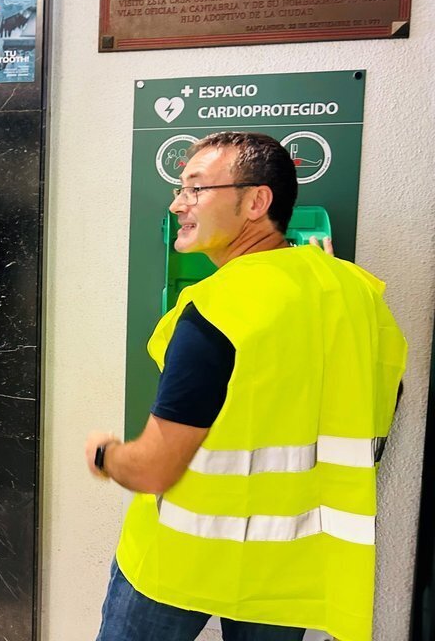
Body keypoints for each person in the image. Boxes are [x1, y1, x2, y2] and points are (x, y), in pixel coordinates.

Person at [84, 131, 406, 641]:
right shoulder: (356, 293)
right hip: (289, 565)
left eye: (196, 188)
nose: (177, 204)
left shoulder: (218, 309)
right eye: (180, 188)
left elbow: (152, 469)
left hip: (181, 560)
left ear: (256, 201)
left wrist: (105, 455)